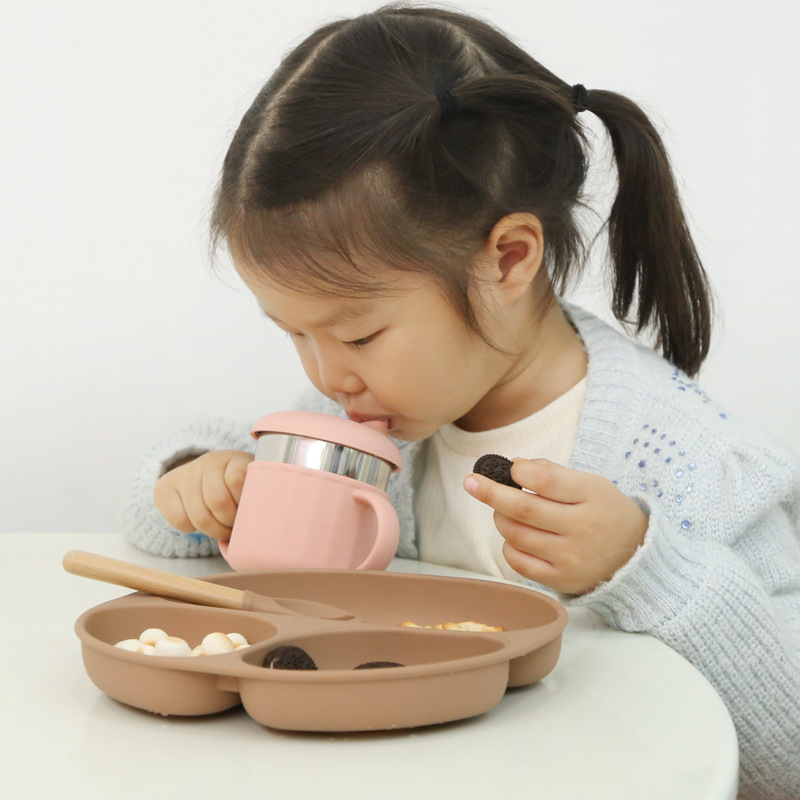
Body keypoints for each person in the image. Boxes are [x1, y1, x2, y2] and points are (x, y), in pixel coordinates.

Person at [122, 5, 800, 798]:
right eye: (295, 334)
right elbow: (168, 527)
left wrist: (641, 567)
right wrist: (199, 479)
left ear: (507, 259)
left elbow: (788, 755)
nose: (329, 374)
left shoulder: (694, 464)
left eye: (358, 334)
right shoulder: (359, 418)